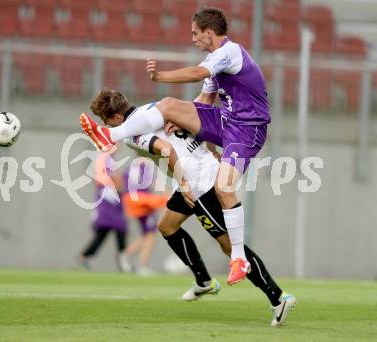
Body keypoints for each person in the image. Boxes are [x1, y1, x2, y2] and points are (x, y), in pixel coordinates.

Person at [80, 7, 270, 285]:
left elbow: (195, 73)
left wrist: (160, 77)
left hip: (247, 128)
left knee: (224, 187)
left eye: (195, 33)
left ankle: (239, 259)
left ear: (209, 31)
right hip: (225, 122)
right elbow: (203, 101)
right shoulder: (214, 62)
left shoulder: (229, 53)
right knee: (169, 105)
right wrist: (182, 121)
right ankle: (112, 134)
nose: (192, 38)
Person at [88, 88, 296, 327]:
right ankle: (204, 281)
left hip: (199, 185)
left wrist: (186, 184)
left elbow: (166, 150)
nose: (108, 127)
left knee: (230, 246)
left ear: (115, 118)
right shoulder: (153, 109)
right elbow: (197, 120)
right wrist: (211, 151)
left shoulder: (132, 134)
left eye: (105, 121)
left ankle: (278, 297)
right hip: (195, 176)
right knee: (166, 226)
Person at [78, 152, 132, 273]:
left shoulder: (108, 160)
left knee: (112, 233)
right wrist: (116, 180)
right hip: (108, 202)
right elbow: (108, 178)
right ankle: (85, 257)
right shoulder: (104, 159)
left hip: (113, 200)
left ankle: (86, 257)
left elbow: (118, 182)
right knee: (109, 232)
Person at [121, 159, 168, 275]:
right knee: (150, 235)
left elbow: (123, 183)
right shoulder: (145, 167)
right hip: (143, 202)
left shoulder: (130, 167)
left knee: (148, 234)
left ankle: (126, 255)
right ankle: (139, 263)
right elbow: (152, 182)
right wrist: (166, 194)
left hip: (132, 200)